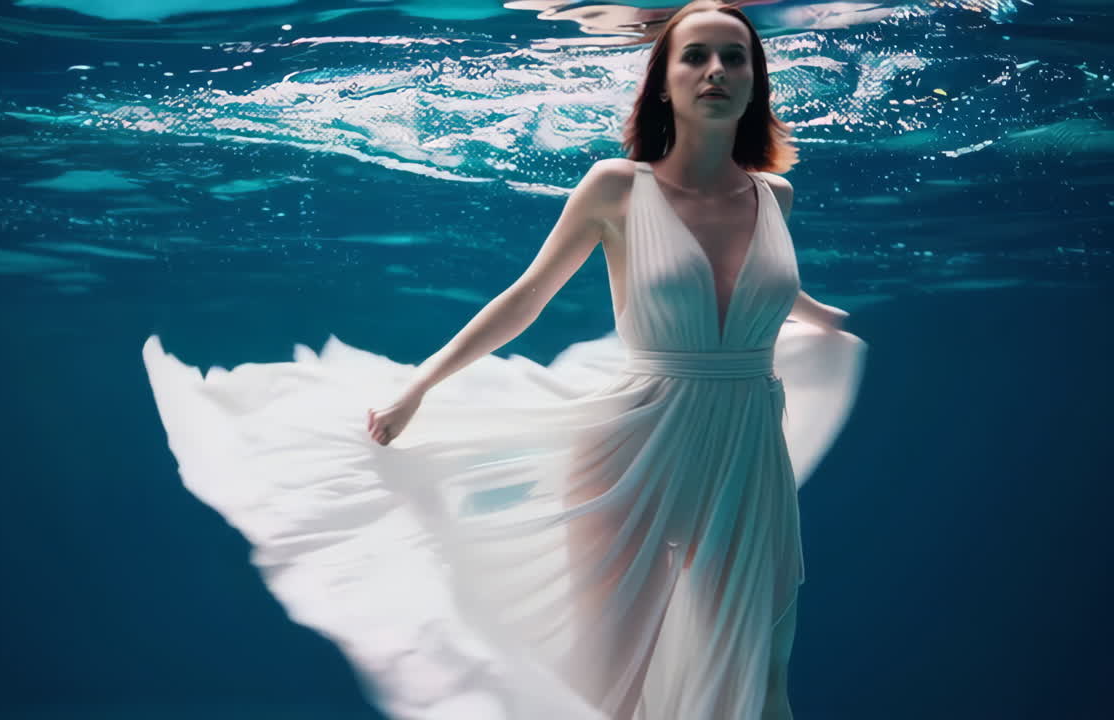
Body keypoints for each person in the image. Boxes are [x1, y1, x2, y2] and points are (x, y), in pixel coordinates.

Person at [142, 2, 867, 718]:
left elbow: (757, 280)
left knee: (757, 676)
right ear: (664, 80)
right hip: (632, 447)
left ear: (755, 81)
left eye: (734, 56)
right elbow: (526, 298)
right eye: (695, 55)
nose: (715, 70)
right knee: (609, 679)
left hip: (748, 457)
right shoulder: (617, 186)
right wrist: (419, 386)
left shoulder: (776, 196)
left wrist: (819, 317)